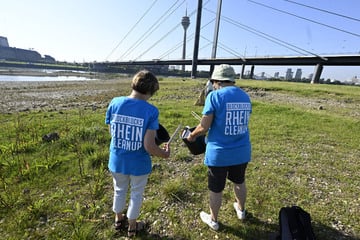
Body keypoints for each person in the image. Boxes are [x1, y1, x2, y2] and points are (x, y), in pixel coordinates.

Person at [105, 70, 170, 237]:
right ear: (151, 91)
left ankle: (118, 219)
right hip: (139, 164)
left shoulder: (115, 102)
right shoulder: (151, 111)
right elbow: (149, 146)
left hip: (117, 159)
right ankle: (132, 227)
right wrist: (164, 154)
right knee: (136, 193)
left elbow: (112, 132)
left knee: (119, 189)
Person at [186, 64, 252, 231]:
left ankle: (214, 220)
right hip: (242, 150)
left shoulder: (214, 96)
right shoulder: (245, 96)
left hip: (219, 153)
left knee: (216, 189)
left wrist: (192, 135)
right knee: (239, 181)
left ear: (216, 81)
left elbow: (204, 127)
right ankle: (241, 210)